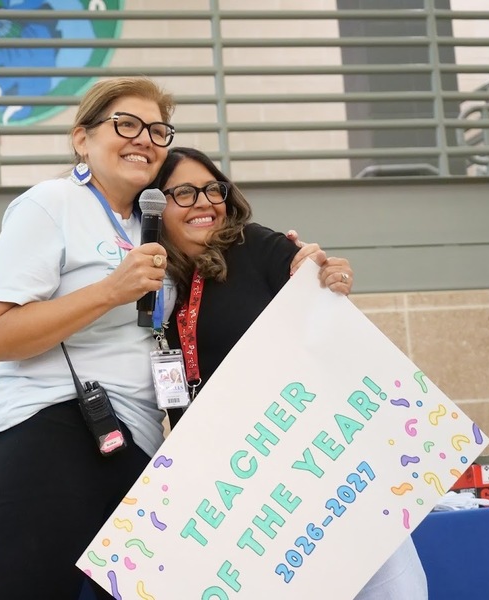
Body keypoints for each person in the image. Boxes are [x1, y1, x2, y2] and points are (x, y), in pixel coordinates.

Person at [0, 78, 325, 600]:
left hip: (138, 448)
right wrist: (109, 290)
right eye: (126, 124)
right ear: (81, 139)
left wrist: (298, 259)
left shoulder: (153, 221)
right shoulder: (50, 204)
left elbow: (230, 247)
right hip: (47, 433)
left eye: (157, 130)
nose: (144, 138)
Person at [151, 146, 428, 599]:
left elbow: (315, 283)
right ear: (156, 206)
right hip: (238, 497)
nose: (203, 201)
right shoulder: (155, 286)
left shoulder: (256, 245)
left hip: (317, 468)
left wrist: (326, 274)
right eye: (183, 192)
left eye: (211, 189)